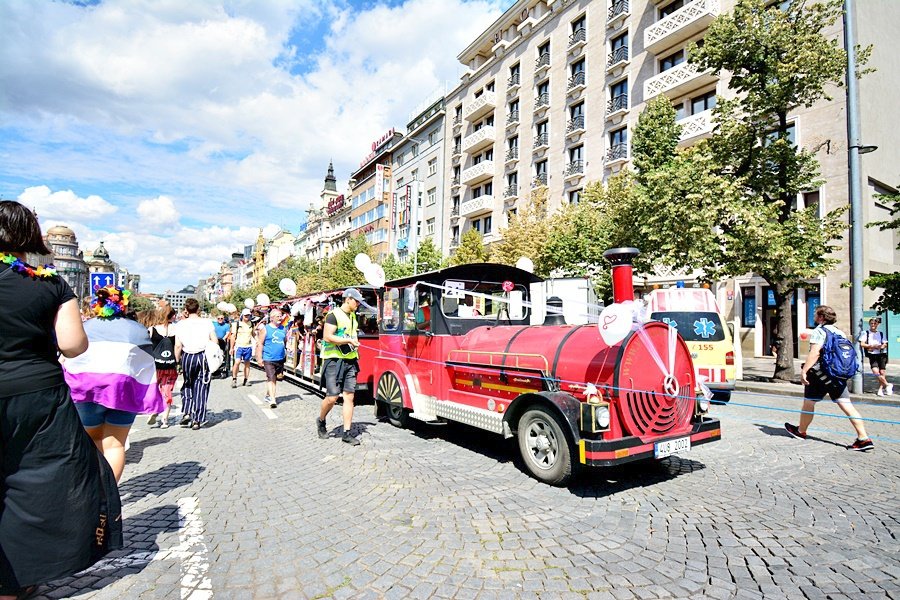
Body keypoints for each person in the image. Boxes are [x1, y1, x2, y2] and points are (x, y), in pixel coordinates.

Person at [0, 200, 122, 598]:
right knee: (37, 484)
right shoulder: (49, 283)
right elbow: (73, 345)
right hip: (37, 394)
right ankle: (15, 580)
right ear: (30, 237)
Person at [64, 286, 166, 482]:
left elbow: (71, 357)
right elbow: (144, 363)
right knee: (115, 445)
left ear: (97, 305)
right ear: (124, 306)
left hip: (87, 392)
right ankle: (108, 495)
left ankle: (90, 492)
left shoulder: (84, 326)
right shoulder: (137, 330)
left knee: (91, 442)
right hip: (123, 393)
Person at [785, 305, 874, 451]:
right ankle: (864, 438)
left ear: (821, 317)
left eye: (815, 314)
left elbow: (815, 353)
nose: (814, 316)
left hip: (820, 375)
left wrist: (804, 371)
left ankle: (801, 431)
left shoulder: (819, 331)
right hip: (837, 375)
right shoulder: (840, 332)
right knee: (846, 404)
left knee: (809, 402)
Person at [317, 288, 363, 446]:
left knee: (349, 396)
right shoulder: (333, 315)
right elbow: (327, 337)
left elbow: (350, 335)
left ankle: (347, 433)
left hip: (350, 360)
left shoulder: (353, 317)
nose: (358, 304)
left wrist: (354, 344)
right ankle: (321, 420)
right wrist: (349, 341)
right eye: (356, 301)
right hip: (333, 360)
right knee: (332, 397)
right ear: (348, 299)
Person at [175, 298, 217, 430]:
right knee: (201, 387)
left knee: (187, 383)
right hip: (202, 356)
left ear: (186, 310)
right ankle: (197, 420)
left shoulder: (181, 324)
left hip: (187, 356)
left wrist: (178, 362)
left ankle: (187, 411)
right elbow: (214, 341)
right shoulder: (207, 323)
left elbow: (177, 346)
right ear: (198, 309)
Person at [147, 306, 179, 428]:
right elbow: (178, 347)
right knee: (167, 391)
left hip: (155, 366)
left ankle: (155, 409)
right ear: (171, 316)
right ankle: (165, 420)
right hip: (170, 366)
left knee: (155, 390)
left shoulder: (152, 329)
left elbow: (146, 346)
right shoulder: (176, 329)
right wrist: (178, 362)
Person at [256, 305, 287, 408]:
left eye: (281, 316)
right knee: (271, 377)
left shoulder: (283, 329)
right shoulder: (266, 329)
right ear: (272, 317)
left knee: (275, 378)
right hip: (268, 358)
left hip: (280, 358)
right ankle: (273, 400)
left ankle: (268, 394)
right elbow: (260, 343)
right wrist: (259, 358)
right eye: (278, 316)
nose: (280, 318)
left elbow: (284, 341)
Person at [859, 317, 891, 396]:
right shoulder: (865, 333)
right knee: (875, 372)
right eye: (872, 323)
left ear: (877, 324)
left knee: (882, 372)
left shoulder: (881, 333)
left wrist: (882, 346)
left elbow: (885, 343)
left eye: (875, 323)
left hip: (881, 354)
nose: (873, 325)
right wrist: (871, 346)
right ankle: (887, 385)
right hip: (872, 355)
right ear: (869, 324)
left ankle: (880, 389)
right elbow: (862, 344)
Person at [231, 308, 256, 388]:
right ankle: (234, 379)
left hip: (248, 346)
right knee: (237, 362)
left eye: (248, 315)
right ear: (242, 315)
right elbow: (233, 336)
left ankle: (246, 379)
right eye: (245, 315)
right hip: (239, 346)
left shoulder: (251, 324)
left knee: (247, 363)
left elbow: (253, 334)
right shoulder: (237, 324)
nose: (247, 317)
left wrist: (258, 341)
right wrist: (231, 348)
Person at [212, 313, 231, 378]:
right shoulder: (214, 324)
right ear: (216, 319)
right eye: (218, 318)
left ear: (223, 319)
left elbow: (227, 333)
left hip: (222, 342)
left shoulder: (226, 325)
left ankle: (223, 369)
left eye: (221, 318)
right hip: (214, 341)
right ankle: (214, 370)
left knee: (222, 355)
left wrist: (223, 338)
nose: (220, 320)